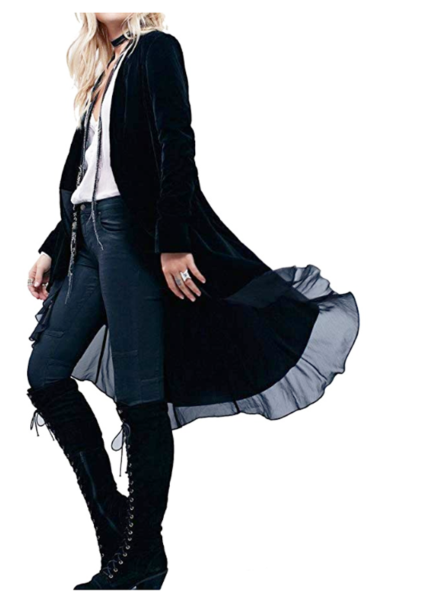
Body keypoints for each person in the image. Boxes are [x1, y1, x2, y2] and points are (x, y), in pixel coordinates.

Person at [25, 13, 360, 591]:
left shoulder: (156, 49)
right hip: (85, 239)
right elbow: (89, 171)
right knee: (45, 372)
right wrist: (52, 247)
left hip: (132, 237)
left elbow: (176, 144)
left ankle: (139, 554)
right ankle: (119, 525)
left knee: (140, 394)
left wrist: (173, 241)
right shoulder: (102, 69)